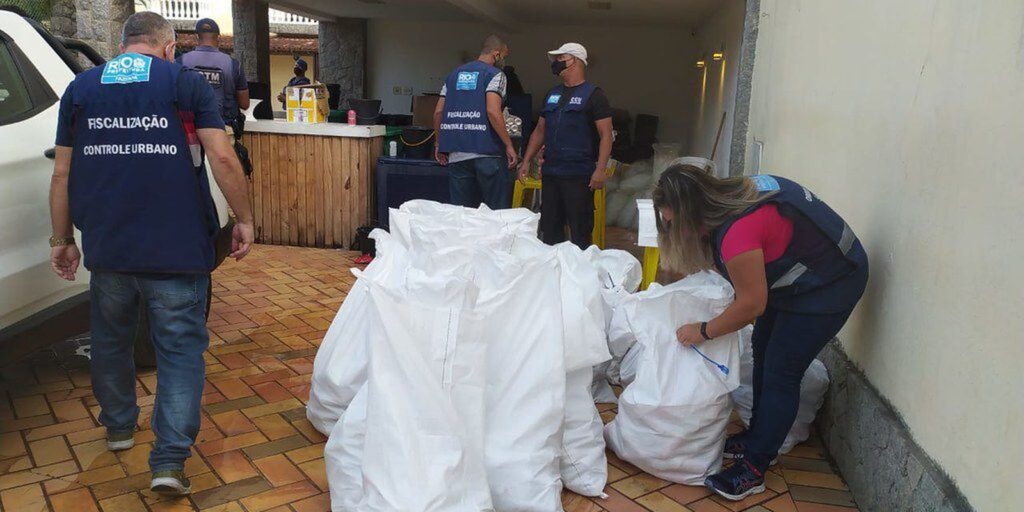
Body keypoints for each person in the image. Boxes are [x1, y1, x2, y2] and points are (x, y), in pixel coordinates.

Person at [48, 12, 254, 497]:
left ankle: (119, 428)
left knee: (111, 341)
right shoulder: (183, 83)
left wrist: (62, 239)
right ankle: (168, 461)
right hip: (177, 248)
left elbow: (62, 173)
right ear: (168, 47)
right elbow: (222, 157)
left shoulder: (81, 89)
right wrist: (244, 218)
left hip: (109, 248)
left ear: (124, 45)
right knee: (179, 352)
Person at [651, 164, 869, 501]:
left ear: (693, 213)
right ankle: (758, 437)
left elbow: (752, 304)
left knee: (781, 370)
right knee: (762, 348)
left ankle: (754, 468)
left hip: (832, 282)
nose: (671, 229)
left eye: (673, 223)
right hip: (802, 275)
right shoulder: (729, 196)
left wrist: (703, 331)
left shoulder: (737, 232)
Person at [517, 43, 613, 249]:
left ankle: (580, 268)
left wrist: (600, 170)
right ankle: (554, 267)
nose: (556, 63)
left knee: (580, 231)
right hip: (551, 173)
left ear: (575, 61)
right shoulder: (553, 94)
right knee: (550, 230)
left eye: (561, 59)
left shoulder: (594, 95)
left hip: (579, 175)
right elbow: (540, 131)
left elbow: (606, 135)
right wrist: (526, 161)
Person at [433, 35, 518, 209]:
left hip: (457, 155)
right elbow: (493, 111)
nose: (504, 61)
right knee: (495, 214)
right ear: (496, 54)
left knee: (463, 215)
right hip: (488, 155)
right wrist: (509, 145)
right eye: (504, 56)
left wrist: (438, 143)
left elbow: (438, 112)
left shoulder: (452, 76)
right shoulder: (495, 75)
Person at [178, 18, 249, 128]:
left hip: (190, 128)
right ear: (218, 37)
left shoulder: (181, 61)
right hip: (224, 127)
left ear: (196, 36)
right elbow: (244, 104)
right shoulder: (233, 65)